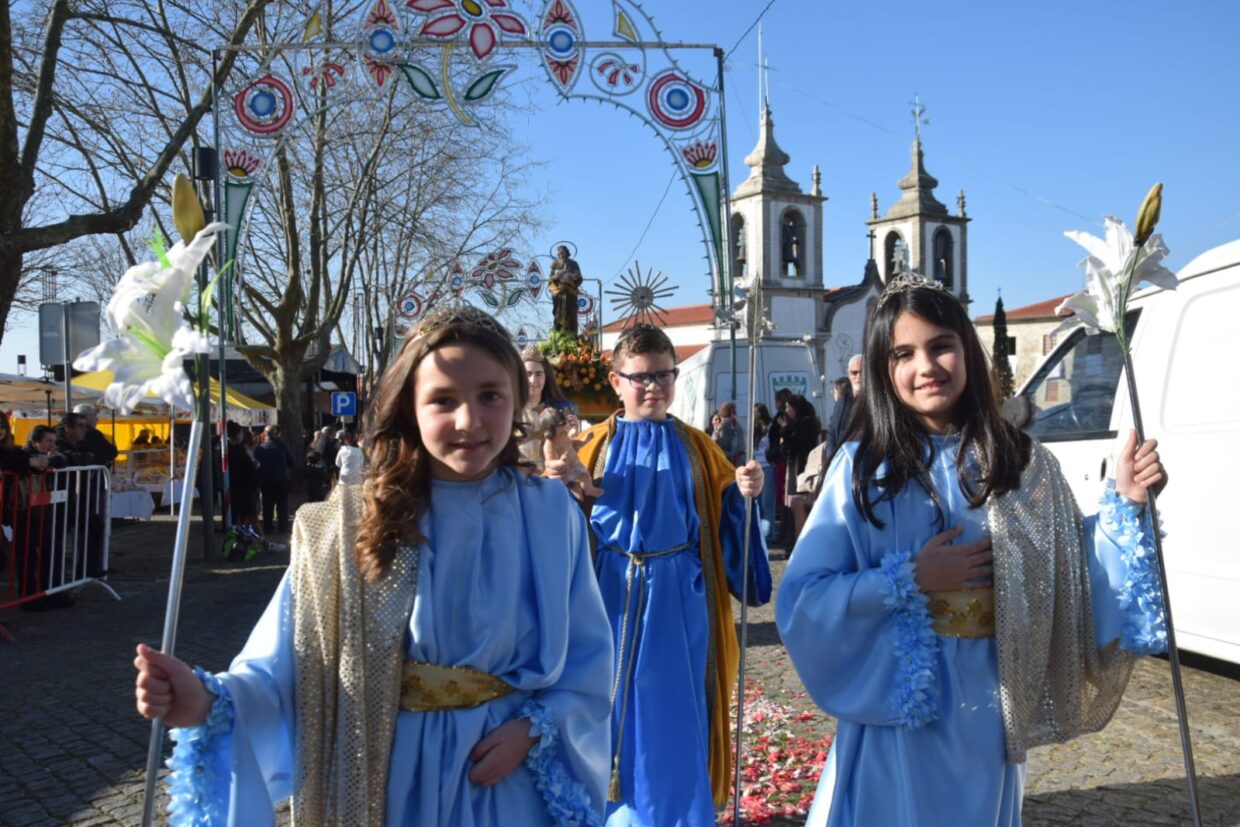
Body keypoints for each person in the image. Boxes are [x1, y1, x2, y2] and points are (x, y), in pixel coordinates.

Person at [134, 305, 614, 826]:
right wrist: (207, 700)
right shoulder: (349, 526)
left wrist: (536, 729)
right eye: (443, 400)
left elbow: (588, 658)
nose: (469, 420)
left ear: (517, 397)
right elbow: (287, 664)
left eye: (490, 396)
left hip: (510, 780)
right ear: (409, 406)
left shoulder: (549, 514)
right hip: (390, 777)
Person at [776, 277, 1169, 827]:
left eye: (941, 346)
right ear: (885, 369)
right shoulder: (863, 470)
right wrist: (909, 578)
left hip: (987, 701)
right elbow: (805, 597)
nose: (926, 367)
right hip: (900, 708)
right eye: (904, 354)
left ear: (966, 349)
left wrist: (1125, 502)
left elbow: (1072, 569)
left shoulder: (1020, 462)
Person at [549, 323, 771, 825]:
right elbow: (560, 525)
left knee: (672, 710)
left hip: (678, 600)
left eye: (664, 375)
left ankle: (671, 814)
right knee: (606, 706)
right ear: (616, 382)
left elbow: (725, 518)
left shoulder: (700, 448)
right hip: (607, 596)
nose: (653, 386)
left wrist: (743, 494)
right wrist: (559, 487)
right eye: (641, 378)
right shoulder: (590, 447)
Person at [520, 346, 571, 471]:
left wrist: (570, 430)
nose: (533, 380)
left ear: (546, 377)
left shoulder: (560, 410)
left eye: (538, 374)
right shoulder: (510, 410)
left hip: (551, 475)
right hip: (518, 475)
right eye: (528, 374)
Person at [537, 406, 601, 499]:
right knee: (574, 489)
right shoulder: (549, 445)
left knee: (585, 477)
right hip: (564, 473)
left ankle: (588, 489)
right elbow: (549, 462)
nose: (564, 433)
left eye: (565, 431)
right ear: (550, 433)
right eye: (561, 432)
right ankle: (576, 491)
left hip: (575, 467)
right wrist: (561, 462)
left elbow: (574, 443)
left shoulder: (565, 436)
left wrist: (585, 441)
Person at [253, 424, 294, 535]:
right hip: (281, 479)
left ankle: (268, 527)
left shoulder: (260, 448)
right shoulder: (282, 446)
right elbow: (291, 462)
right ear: (276, 434)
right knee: (282, 505)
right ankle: (282, 527)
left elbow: (255, 464)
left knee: (267, 505)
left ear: (265, 434)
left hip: (266, 480)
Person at [549, 245, 584, 335]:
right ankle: (558, 334)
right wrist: (559, 275)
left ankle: (572, 335)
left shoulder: (574, 264)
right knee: (558, 314)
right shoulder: (555, 264)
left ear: (567, 253)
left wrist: (573, 278)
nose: (560, 255)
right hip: (558, 293)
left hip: (570, 292)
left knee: (572, 314)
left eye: (562, 253)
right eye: (558, 254)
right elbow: (551, 279)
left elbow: (579, 278)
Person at [73, 403, 119, 468]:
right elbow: (112, 452)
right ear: (86, 418)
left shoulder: (64, 431)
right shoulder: (93, 434)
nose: (97, 419)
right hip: (91, 472)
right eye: (94, 416)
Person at [709, 401, 744, 467]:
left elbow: (713, 443)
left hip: (724, 461)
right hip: (737, 462)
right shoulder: (738, 426)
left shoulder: (722, 425)